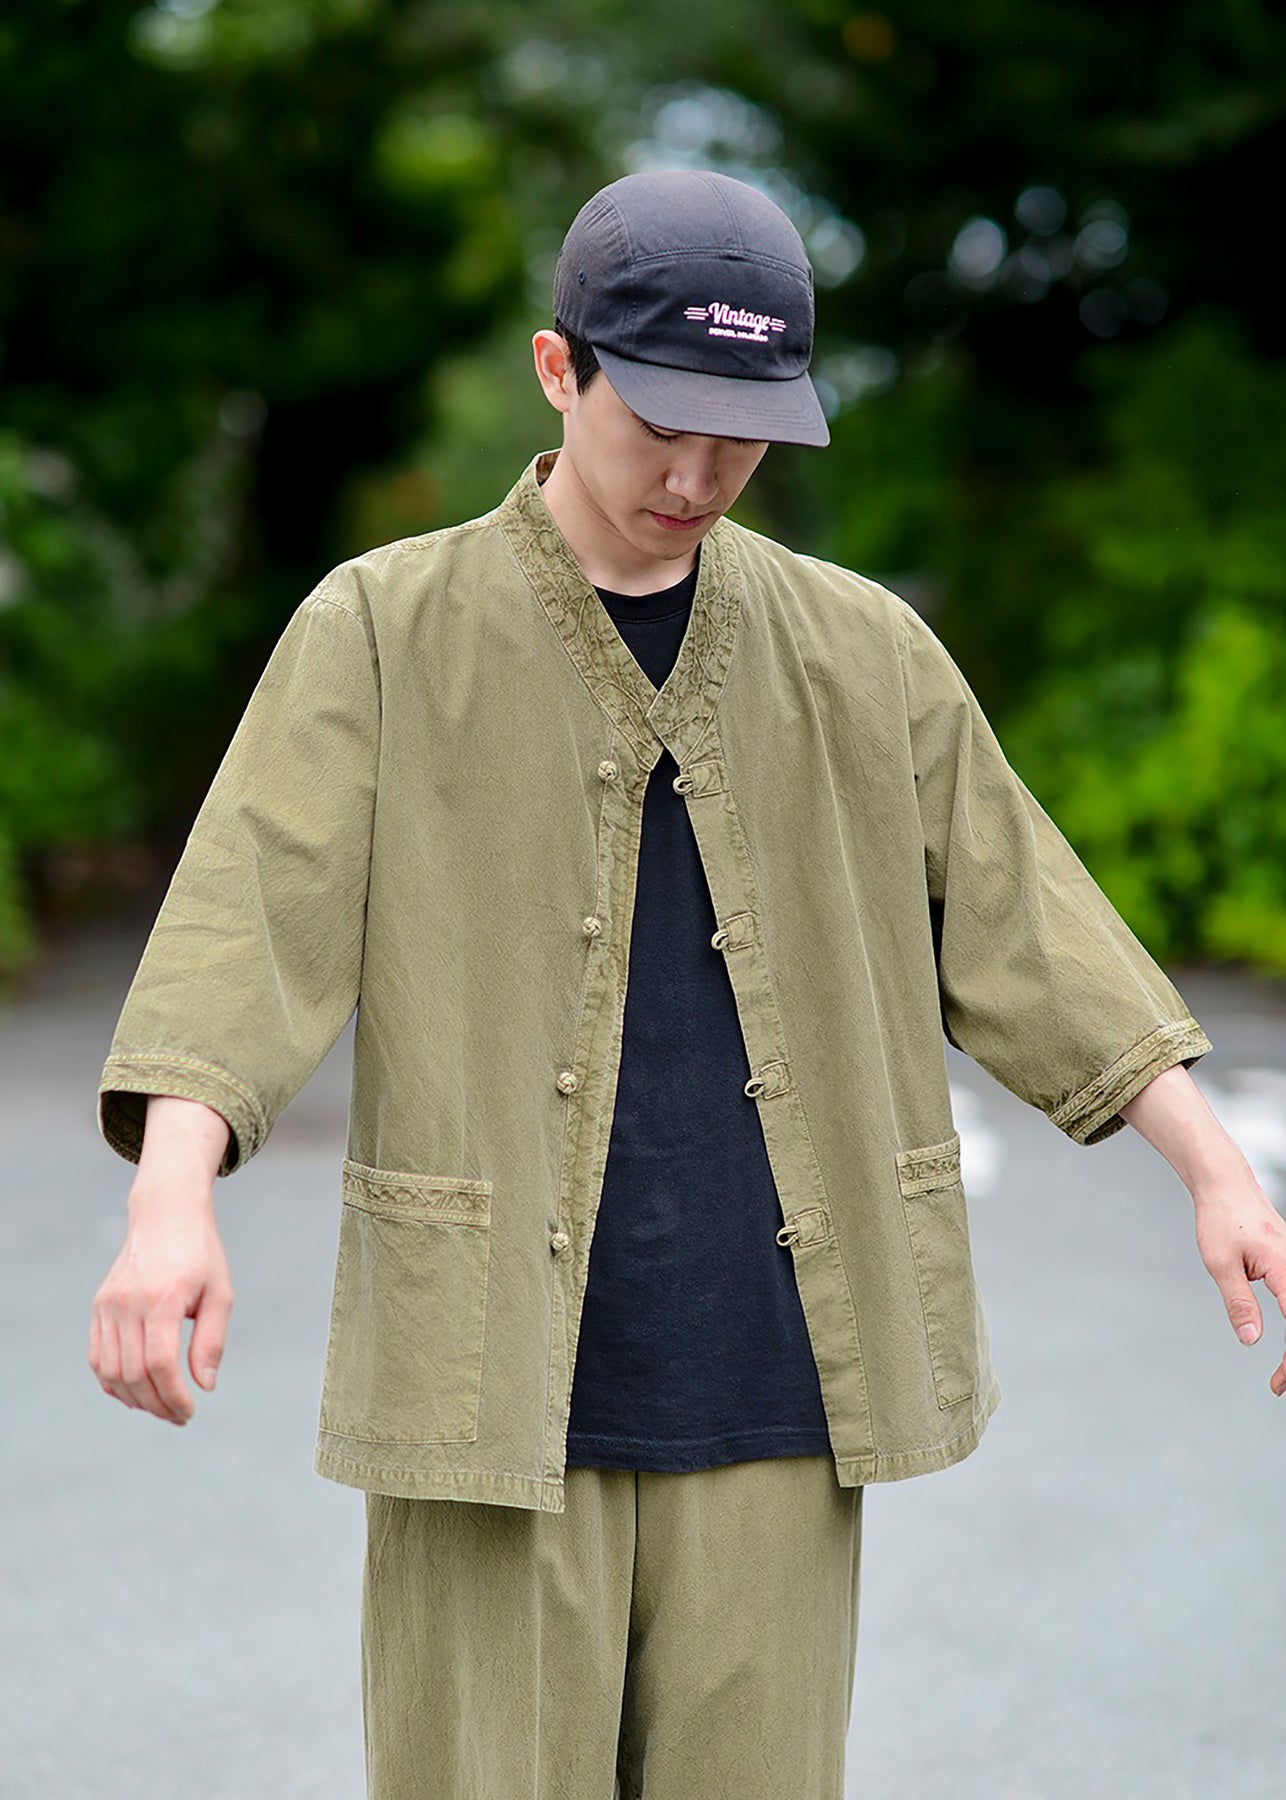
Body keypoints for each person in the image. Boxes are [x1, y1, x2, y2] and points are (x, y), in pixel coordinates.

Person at [88, 170, 1286, 1800]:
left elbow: (1025, 925)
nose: (699, 475)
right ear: (557, 369)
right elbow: (251, 921)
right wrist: (169, 1204)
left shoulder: (863, 653)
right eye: (660, 422)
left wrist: (1214, 1170)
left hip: (780, 1379)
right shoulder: (381, 629)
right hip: (488, 1381)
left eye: (744, 436)